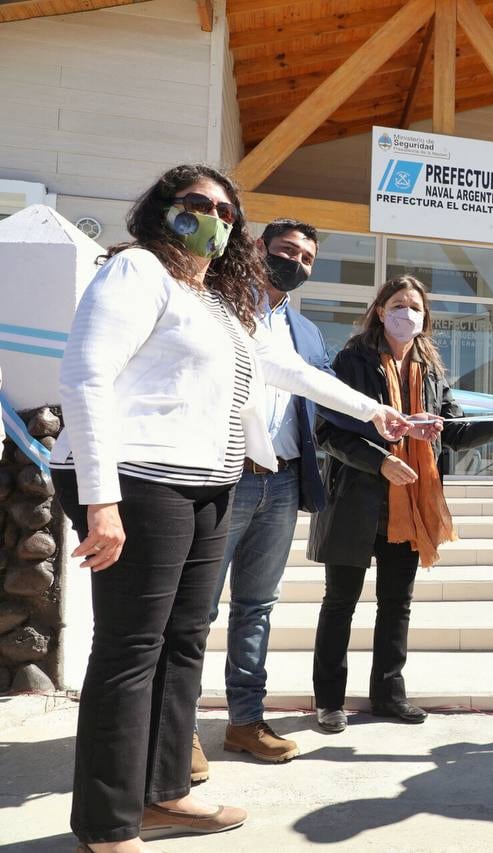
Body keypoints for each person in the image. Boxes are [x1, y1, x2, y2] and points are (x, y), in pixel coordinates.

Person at [50, 164, 410, 852]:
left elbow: (289, 372)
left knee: (184, 641)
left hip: (208, 483)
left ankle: (164, 793)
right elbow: (86, 374)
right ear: (163, 208)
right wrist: (101, 499)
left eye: (225, 210)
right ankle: (106, 825)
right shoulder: (137, 273)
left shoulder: (215, 301)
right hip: (136, 478)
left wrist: (378, 413)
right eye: (198, 204)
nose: (213, 217)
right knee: (131, 649)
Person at [309, 275, 493, 732]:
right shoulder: (352, 361)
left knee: (397, 604)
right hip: (357, 500)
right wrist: (380, 462)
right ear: (379, 311)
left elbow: (449, 430)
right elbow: (329, 433)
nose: (406, 313)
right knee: (340, 604)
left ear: (424, 318)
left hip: (411, 503)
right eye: (397, 304)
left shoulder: (430, 367)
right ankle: (329, 701)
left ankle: (389, 695)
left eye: (415, 307)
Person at [190, 218, 327, 780]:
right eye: (286, 251)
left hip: (284, 480)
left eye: (307, 258)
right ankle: (178, 730)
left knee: (257, 608)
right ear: (259, 250)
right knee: (196, 608)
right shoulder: (217, 304)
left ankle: (245, 721)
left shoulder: (307, 333)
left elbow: (319, 400)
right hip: (225, 478)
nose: (296, 262)